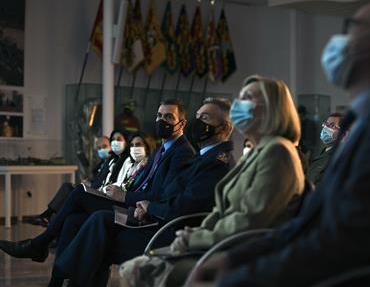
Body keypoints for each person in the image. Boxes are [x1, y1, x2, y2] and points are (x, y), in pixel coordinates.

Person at [192, 1, 370, 287]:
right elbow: (310, 223)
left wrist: (238, 277)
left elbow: (341, 244)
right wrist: (235, 259)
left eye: (351, 28)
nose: (339, 41)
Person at [123, 76, 306, 287]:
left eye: (247, 98)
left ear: (270, 109)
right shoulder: (259, 152)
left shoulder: (278, 152)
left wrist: (196, 240)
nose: (239, 104)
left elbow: (249, 221)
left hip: (242, 255)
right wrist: (195, 234)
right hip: (220, 246)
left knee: (133, 270)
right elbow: (221, 212)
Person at [48, 97, 236, 286]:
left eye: (205, 118)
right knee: (85, 221)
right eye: (197, 117)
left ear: (226, 128)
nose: (198, 123)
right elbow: (170, 194)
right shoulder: (203, 158)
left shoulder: (216, 163)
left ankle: (59, 274)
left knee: (100, 229)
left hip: (169, 233)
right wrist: (146, 206)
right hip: (158, 221)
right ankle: (58, 276)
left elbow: (184, 207)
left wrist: (150, 208)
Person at [0, 100, 195, 264]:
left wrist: (125, 195)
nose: (162, 121)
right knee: (71, 219)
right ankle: (57, 279)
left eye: (169, 117)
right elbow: (142, 184)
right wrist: (118, 190)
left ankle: (39, 245)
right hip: (131, 201)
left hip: (141, 213)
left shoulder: (183, 152)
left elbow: (163, 195)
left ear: (182, 123)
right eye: (159, 116)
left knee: (79, 193)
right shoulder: (162, 149)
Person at [25, 135, 113, 227]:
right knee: (69, 189)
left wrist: (91, 184)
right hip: (94, 190)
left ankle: (49, 216)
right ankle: (50, 216)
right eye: (99, 148)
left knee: (69, 188)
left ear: (110, 146)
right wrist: (89, 182)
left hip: (101, 194)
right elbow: (97, 178)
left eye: (104, 146)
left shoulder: (112, 162)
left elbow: (105, 181)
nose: (102, 150)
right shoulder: (101, 164)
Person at [306, 113, 343, 187]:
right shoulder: (325, 150)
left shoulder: (339, 156)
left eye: (332, 125)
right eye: (326, 124)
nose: (326, 128)